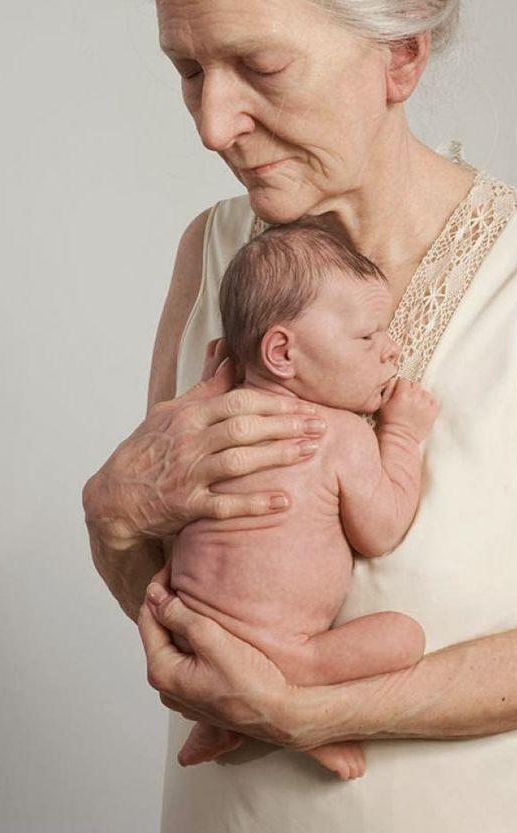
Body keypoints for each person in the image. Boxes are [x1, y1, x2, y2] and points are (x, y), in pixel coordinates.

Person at [81, 0, 517, 832]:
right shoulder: (212, 251)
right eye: (186, 68)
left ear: (399, 55)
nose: (213, 125)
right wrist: (110, 513)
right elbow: (182, 586)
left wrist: (314, 708)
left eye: (260, 66)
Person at [167, 214, 439, 780]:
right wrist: (402, 434)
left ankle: (221, 720)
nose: (392, 352)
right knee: (404, 637)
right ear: (283, 353)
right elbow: (381, 530)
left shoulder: (209, 415)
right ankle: (294, 698)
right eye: (368, 336)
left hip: (188, 628)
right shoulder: (336, 433)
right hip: (280, 642)